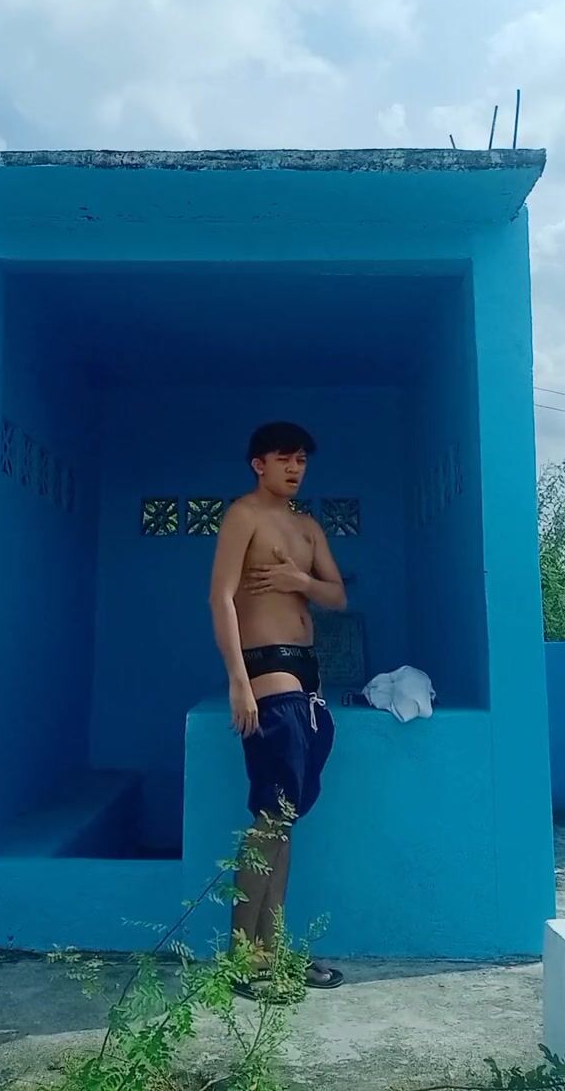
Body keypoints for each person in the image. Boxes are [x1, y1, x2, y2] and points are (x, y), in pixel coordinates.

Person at [209, 421, 346, 994]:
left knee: (284, 819)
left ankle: (272, 950)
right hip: (267, 669)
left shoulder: (308, 527)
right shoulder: (243, 515)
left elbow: (337, 595)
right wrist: (237, 681)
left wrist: (297, 579)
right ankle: (241, 957)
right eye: (284, 459)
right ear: (258, 464)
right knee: (271, 817)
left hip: (307, 674)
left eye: (302, 461)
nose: (295, 469)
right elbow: (221, 597)